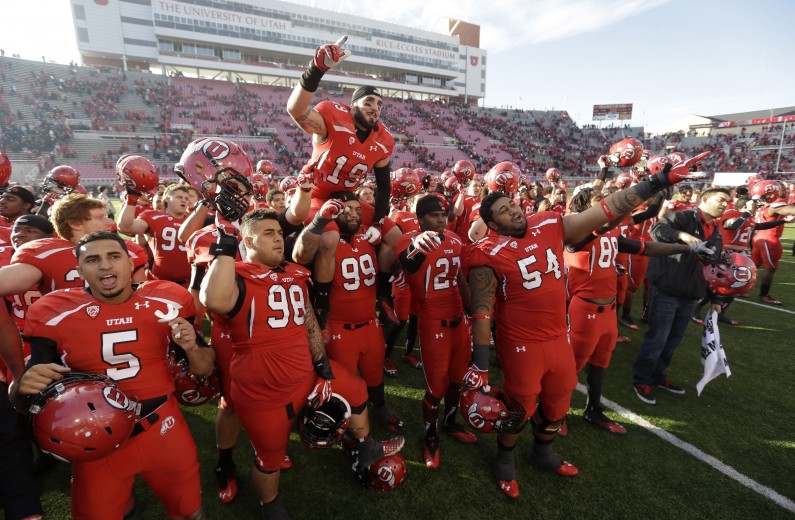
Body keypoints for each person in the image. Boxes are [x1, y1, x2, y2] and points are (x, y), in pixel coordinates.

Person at [462, 154, 704, 498]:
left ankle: (543, 452)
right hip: (522, 344)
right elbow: (482, 312)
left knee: (559, 401)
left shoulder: (547, 223)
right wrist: (482, 365)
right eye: (502, 211)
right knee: (519, 407)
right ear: (493, 224)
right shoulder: (487, 252)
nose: (513, 211)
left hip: (559, 337)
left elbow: (605, 210)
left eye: (511, 205)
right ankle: (505, 460)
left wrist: (657, 183)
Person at [200, 209, 404, 519]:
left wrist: (322, 363)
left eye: (279, 233)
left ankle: (365, 445)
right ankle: (270, 505)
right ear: (249, 241)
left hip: (306, 375)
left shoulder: (293, 273)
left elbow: (308, 319)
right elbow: (212, 300)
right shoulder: (237, 275)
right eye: (269, 233)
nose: (278, 238)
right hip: (264, 391)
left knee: (357, 389)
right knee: (270, 458)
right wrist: (226, 246)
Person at [12, 231, 215, 519]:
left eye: (114, 256)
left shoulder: (167, 299)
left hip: (164, 427)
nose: (105, 266)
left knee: (188, 511)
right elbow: (26, 395)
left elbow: (205, 368)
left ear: (129, 263)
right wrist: (22, 387)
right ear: (80, 270)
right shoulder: (53, 311)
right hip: (94, 438)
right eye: (93, 260)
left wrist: (192, 347)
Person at [564, 186, 713, 434]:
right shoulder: (575, 232)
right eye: (601, 202)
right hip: (585, 310)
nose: (607, 206)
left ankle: (594, 410)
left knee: (600, 364)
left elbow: (647, 247)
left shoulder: (610, 233)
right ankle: (554, 414)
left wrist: (687, 249)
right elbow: (583, 237)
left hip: (608, 311)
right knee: (571, 366)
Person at [286, 35, 399, 327]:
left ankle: (384, 291)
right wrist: (316, 69)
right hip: (318, 194)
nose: (376, 107)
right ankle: (322, 301)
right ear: (353, 105)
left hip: (349, 199)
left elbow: (384, 185)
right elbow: (296, 111)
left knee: (396, 235)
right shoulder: (331, 115)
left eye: (380, 104)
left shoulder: (384, 139)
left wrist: (377, 221)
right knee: (330, 237)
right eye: (369, 101)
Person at [396, 195, 477, 469]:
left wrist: (471, 310)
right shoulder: (410, 239)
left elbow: (459, 278)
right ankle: (430, 435)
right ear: (419, 220)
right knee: (436, 387)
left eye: (442, 214)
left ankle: (450, 421)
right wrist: (417, 247)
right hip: (433, 325)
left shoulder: (454, 239)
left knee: (457, 380)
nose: (441, 218)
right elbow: (407, 265)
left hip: (458, 320)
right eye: (433, 215)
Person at [632, 187, 731, 405]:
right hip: (667, 288)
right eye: (721, 200)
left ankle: (657, 376)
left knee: (673, 340)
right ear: (705, 199)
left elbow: (713, 266)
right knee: (657, 338)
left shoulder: (715, 231)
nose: (725, 204)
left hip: (690, 294)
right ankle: (641, 379)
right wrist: (680, 235)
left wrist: (716, 299)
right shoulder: (683, 216)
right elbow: (656, 230)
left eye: (727, 201)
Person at [118, 183, 192, 286]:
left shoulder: (193, 219)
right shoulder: (153, 216)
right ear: (166, 199)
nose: (184, 200)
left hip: (188, 282)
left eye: (186, 198)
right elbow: (125, 226)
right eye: (179, 197)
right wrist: (131, 199)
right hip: (158, 281)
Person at [750, 181, 795, 305]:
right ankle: (764, 295)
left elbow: (784, 218)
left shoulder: (766, 205)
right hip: (769, 239)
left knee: (753, 266)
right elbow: (792, 210)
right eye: (782, 189)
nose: (785, 191)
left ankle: (737, 287)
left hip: (759, 237)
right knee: (771, 268)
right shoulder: (775, 205)